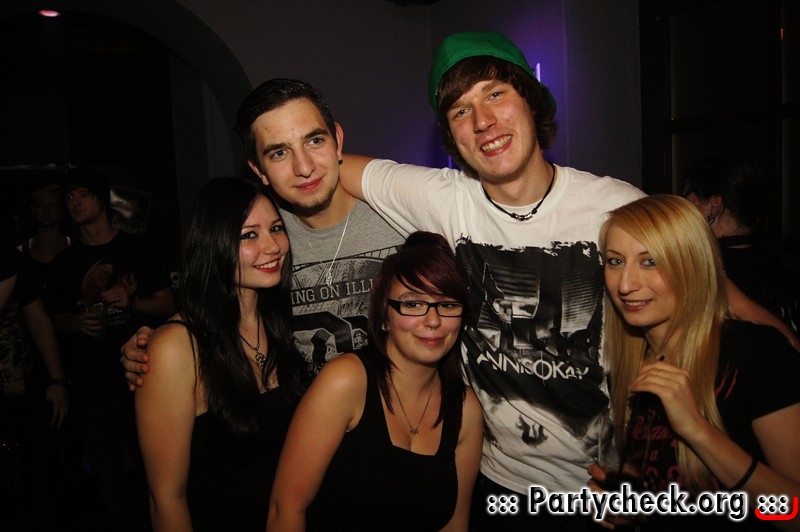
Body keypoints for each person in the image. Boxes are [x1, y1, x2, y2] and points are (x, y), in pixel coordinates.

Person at [336, 31, 797, 529]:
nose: (483, 121)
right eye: (460, 111)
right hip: (498, 483)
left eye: (496, 94)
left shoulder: (615, 205)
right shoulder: (442, 196)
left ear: (531, 102)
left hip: (605, 489)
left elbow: (712, 292)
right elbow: (328, 167)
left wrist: (785, 354)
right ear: (452, 136)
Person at [121, 79, 405, 383]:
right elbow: (217, 306)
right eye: (279, 153)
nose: (304, 167)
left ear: (337, 139)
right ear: (258, 170)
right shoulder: (265, 235)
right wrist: (161, 347)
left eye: (314, 141)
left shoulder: (400, 217)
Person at [590, 194, 800, 530]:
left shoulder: (757, 353)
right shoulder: (633, 363)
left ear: (691, 264)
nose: (625, 285)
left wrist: (697, 430)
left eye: (650, 261)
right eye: (615, 261)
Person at [268, 231, 483, 531]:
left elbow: (455, 525)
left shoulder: (465, 408)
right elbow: (286, 509)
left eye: (447, 304)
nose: (433, 320)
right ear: (384, 317)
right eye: (412, 304)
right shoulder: (346, 381)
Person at [135, 177, 310, 531]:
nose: (272, 246)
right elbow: (166, 500)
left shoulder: (283, 324)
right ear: (212, 243)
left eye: (276, 228)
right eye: (249, 235)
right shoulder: (177, 346)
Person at [45, 166, 175, 530]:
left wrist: (132, 303)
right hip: (89, 387)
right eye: (69, 197)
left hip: (139, 382)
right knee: (106, 479)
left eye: (83, 194)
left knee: (152, 472)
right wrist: (74, 322)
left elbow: (167, 304)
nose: (75, 202)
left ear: (102, 199)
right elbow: (50, 319)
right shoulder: (64, 263)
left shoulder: (137, 249)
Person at [683, 154, 799, 333]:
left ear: (714, 205)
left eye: (686, 198)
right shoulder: (778, 269)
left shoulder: (702, 269)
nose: (681, 208)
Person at [1, 245, 68, 531]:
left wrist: (57, 380)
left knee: (37, 492)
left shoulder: (9, 257)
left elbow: (37, 316)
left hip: (26, 394)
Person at [18, 183, 72, 291]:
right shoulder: (19, 253)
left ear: (62, 209)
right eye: (41, 205)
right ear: (33, 209)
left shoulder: (76, 249)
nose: (46, 211)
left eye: (53, 205)